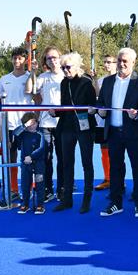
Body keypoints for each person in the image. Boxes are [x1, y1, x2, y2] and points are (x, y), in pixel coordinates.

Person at [97, 48, 138, 218]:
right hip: (113, 132)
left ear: (133, 62)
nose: (121, 64)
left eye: (125, 61)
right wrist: (100, 111)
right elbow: (101, 104)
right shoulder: (107, 81)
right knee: (115, 168)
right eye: (119, 60)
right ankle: (116, 202)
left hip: (134, 132)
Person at [52, 52, 97, 214]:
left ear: (77, 66)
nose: (65, 70)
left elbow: (93, 105)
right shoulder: (64, 82)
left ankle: (86, 199)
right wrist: (55, 112)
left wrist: (92, 110)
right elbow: (65, 106)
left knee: (87, 163)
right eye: (62, 67)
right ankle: (67, 199)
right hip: (67, 127)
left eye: (68, 67)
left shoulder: (86, 82)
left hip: (84, 127)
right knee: (66, 163)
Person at [0, 47, 31, 202]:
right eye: (14, 58)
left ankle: (29, 187)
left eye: (20, 58)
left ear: (25, 60)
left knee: (28, 157)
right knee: (10, 158)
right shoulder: (4, 78)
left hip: (26, 125)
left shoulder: (30, 77)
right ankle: (13, 188)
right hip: (8, 125)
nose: (16, 61)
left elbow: (37, 98)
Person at [28, 46, 64, 203]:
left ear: (60, 58)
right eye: (49, 58)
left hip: (63, 123)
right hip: (46, 123)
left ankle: (62, 188)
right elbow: (31, 90)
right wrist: (33, 72)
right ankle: (48, 189)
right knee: (46, 158)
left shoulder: (66, 75)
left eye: (54, 57)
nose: (52, 60)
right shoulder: (43, 76)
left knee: (63, 157)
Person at [13, 112, 48, 215]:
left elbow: (41, 148)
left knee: (39, 184)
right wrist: (24, 126)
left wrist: (31, 157)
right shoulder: (23, 134)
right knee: (25, 184)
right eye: (30, 124)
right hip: (26, 164)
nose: (32, 126)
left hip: (39, 164)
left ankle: (40, 205)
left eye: (34, 123)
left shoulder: (40, 134)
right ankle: (25, 204)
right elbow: (15, 133)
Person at [92, 54, 117, 192]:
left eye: (109, 62)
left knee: (117, 152)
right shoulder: (101, 80)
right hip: (102, 121)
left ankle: (118, 179)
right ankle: (107, 179)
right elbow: (98, 96)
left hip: (116, 121)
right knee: (104, 148)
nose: (106, 64)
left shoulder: (121, 80)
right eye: (105, 62)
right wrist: (95, 80)